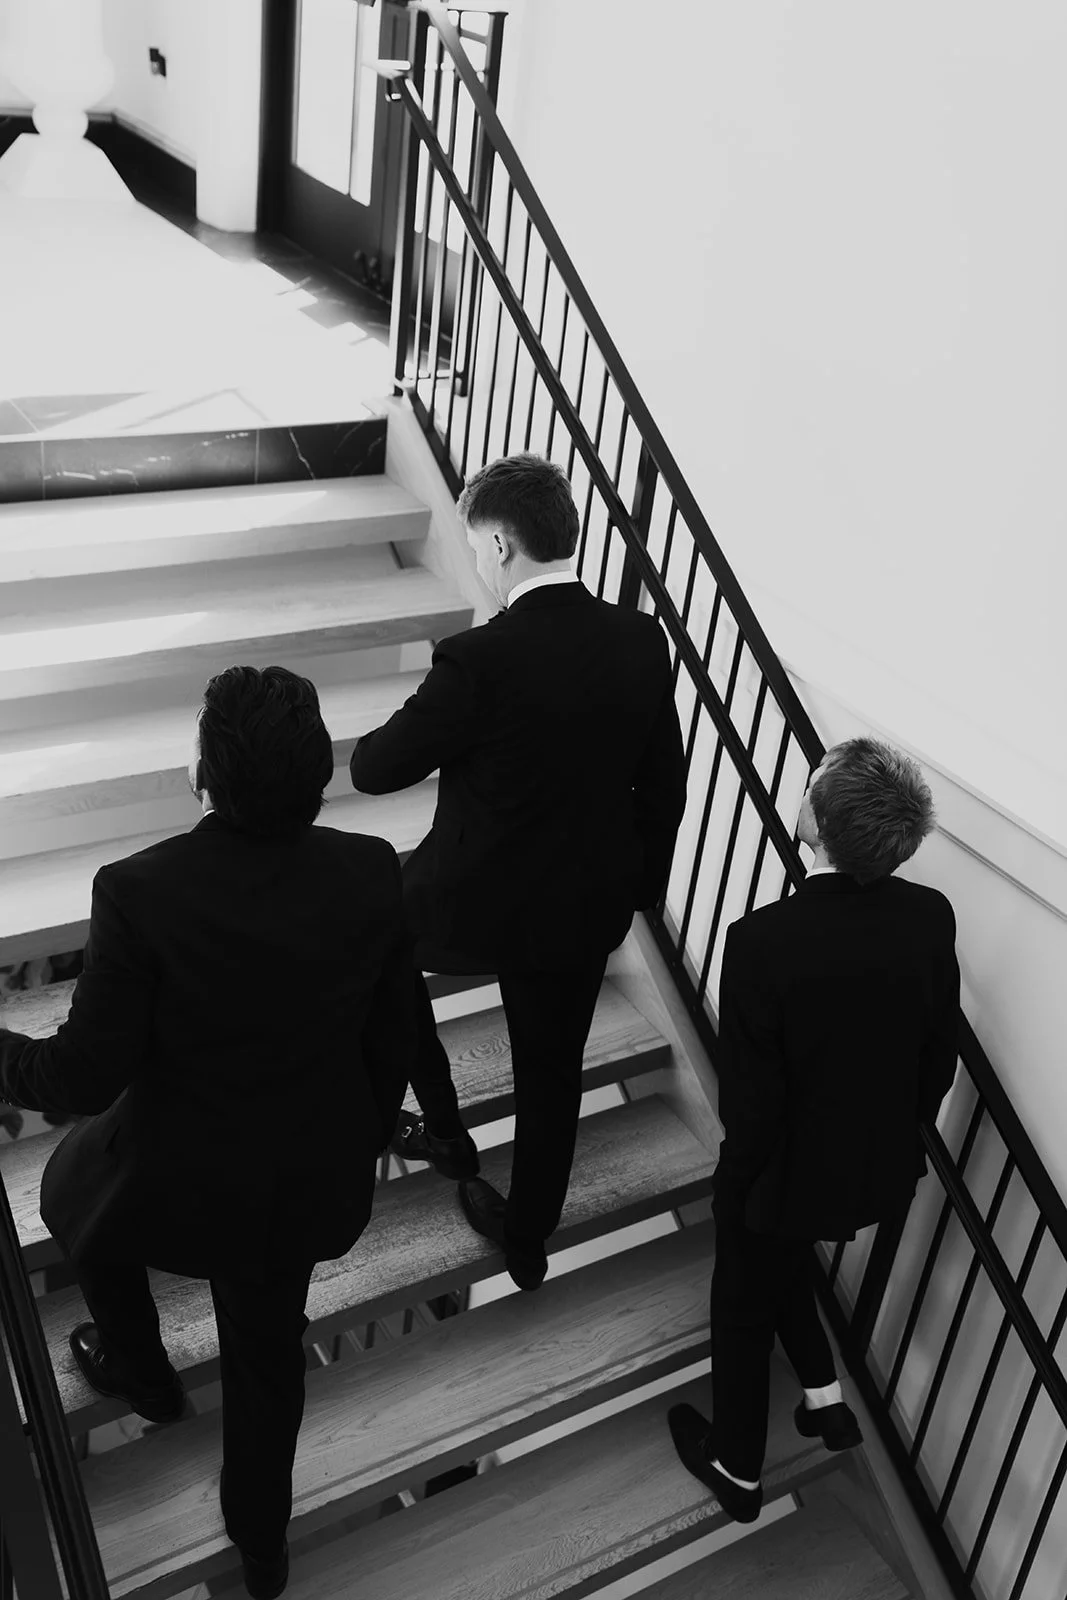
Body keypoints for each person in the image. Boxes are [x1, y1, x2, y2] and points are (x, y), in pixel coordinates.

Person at [0, 665, 417, 1600]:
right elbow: (395, 1034)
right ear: (316, 777)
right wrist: (357, 1134)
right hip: (302, 1181)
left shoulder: (140, 892)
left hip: (179, 1179)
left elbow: (79, 1077)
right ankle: (262, 1547)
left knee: (71, 1194)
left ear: (206, 778)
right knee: (269, 1357)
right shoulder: (367, 870)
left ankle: (142, 1374)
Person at [351, 452, 688, 1292]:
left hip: (470, 905)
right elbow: (665, 788)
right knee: (551, 1078)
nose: (476, 564)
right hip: (582, 908)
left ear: (500, 545)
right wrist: (631, 889)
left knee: (366, 940)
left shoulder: (478, 659)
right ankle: (528, 1244)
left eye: (474, 549)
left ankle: (442, 1126)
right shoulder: (638, 639)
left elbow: (375, 770)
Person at [669, 737, 960, 1521]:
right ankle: (825, 1398)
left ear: (818, 825)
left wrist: (735, 1187)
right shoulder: (928, 917)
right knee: (782, 1254)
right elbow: (938, 1056)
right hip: (874, 1167)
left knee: (740, 1296)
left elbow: (751, 1104)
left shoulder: (762, 942)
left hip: (783, 1172)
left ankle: (735, 1468)